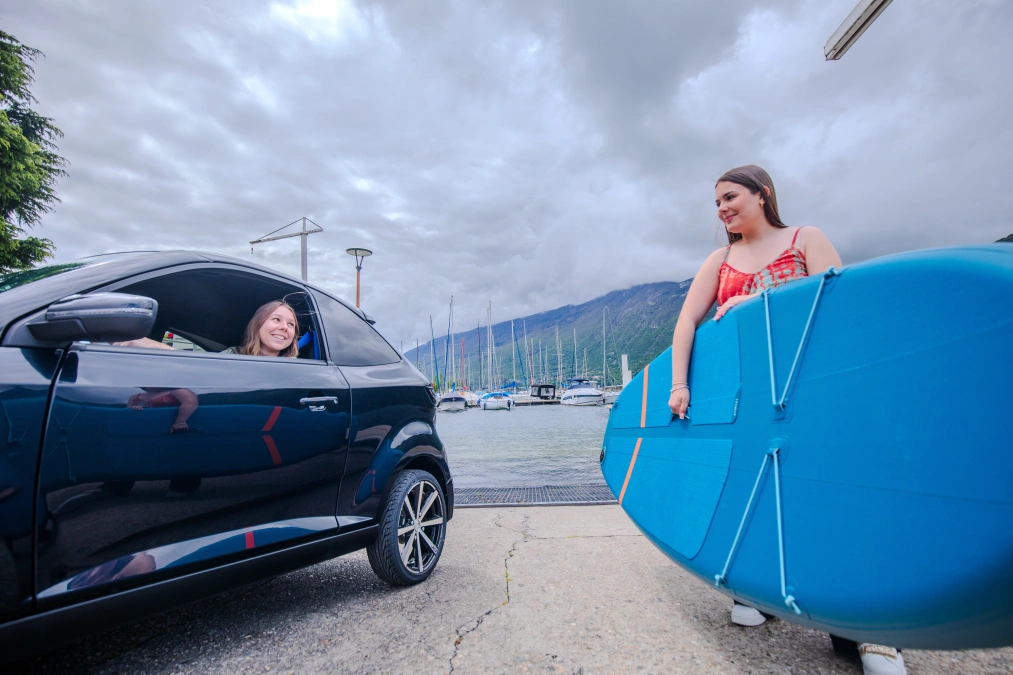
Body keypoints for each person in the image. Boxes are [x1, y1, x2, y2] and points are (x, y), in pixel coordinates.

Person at [666, 165, 905, 675]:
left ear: (763, 194)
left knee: (835, 495)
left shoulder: (805, 239)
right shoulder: (720, 260)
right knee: (761, 494)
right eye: (716, 202)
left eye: (730, 197)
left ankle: (868, 629)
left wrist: (763, 300)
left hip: (815, 393)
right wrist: (678, 385)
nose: (721, 209)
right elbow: (687, 321)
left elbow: (838, 306)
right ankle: (759, 591)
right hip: (752, 401)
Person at [116, 299, 301, 358]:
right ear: (257, 325)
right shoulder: (234, 355)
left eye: (291, 324)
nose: (284, 327)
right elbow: (201, 368)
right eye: (276, 319)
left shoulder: (298, 369)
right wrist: (153, 346)